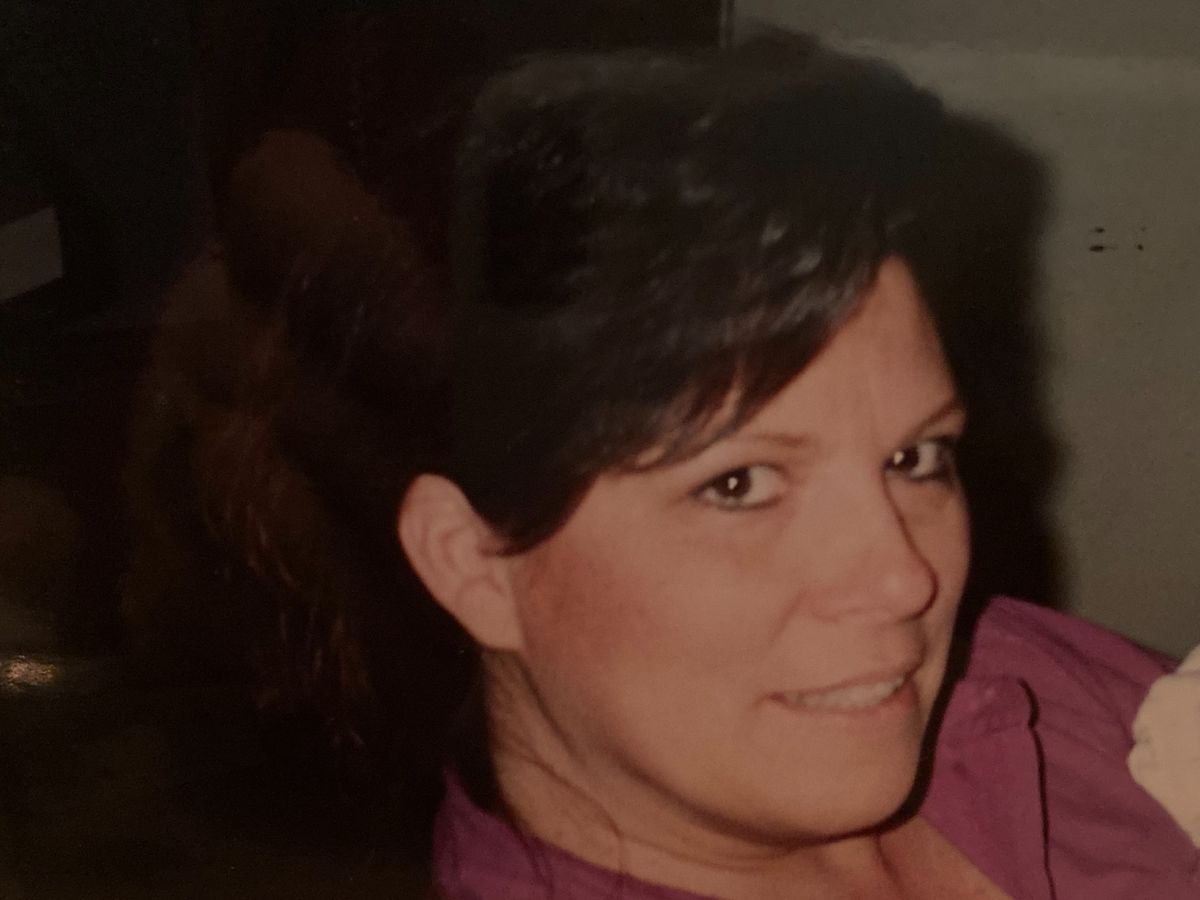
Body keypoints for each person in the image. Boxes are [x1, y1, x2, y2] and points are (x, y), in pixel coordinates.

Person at [131, 34, 1199, 899]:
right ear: (473, 563)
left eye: (915, 458)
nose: (903, 578)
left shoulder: (1012, 681)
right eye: (739, 485)